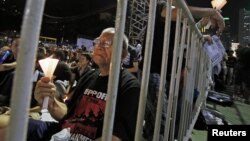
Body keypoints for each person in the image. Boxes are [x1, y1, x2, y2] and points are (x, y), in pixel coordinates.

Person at [25, 27, 140, 141]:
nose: (99, 46)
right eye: (98, 41)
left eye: (107, 43)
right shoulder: (89, 76)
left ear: (124, 53)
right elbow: (68, 113)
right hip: (63, 132)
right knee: (14, 125)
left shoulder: (129, 86)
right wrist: (51, 102)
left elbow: (115, 137)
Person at [139, 1, 225, 140]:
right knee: (161, 119)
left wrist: (203, 26)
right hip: (152, 71)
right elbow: (179, 12)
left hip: (166, 73)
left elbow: (185, 35)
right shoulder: (161, 5)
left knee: (153, 122)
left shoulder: (176, 18)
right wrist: (211, 12)